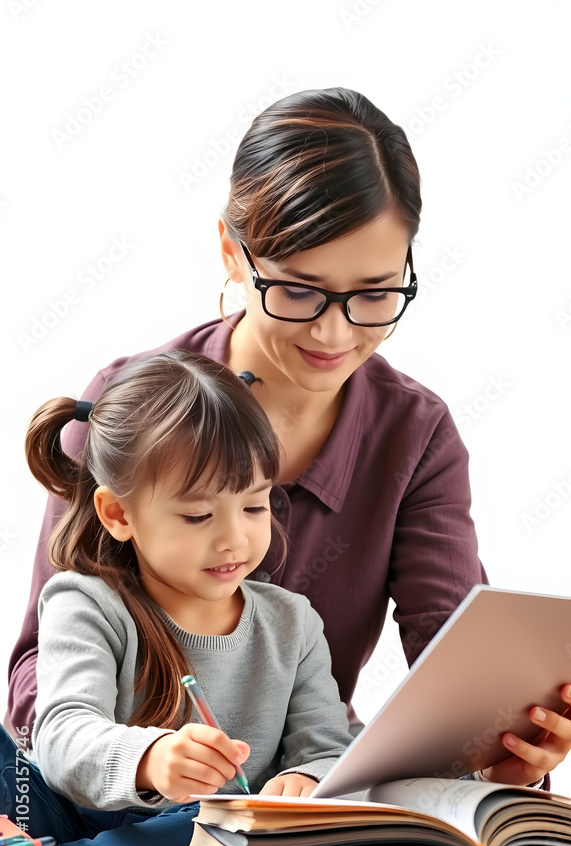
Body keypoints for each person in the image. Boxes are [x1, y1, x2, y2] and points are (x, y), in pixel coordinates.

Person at [7, 86, 570, 789]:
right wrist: (142, 758)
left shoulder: (413, 433)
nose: (334, 334)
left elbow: (450, 670)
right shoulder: (128, 409)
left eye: (374, 293)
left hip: (298, 817)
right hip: (117, 817)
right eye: (299, 291)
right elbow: (38, 688)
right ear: (232, 253)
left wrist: (505, 745)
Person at [0, 351, 354, 846]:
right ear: (118, 513)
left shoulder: (292, 621)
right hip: (75, 815)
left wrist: (304, 779)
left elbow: (325, 749)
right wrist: (150, 759)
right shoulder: (86, 602)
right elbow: (62, 735)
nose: (234, 539)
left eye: (254, 506)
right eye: (198, 515)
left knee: (204, 821)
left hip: (211, 828)